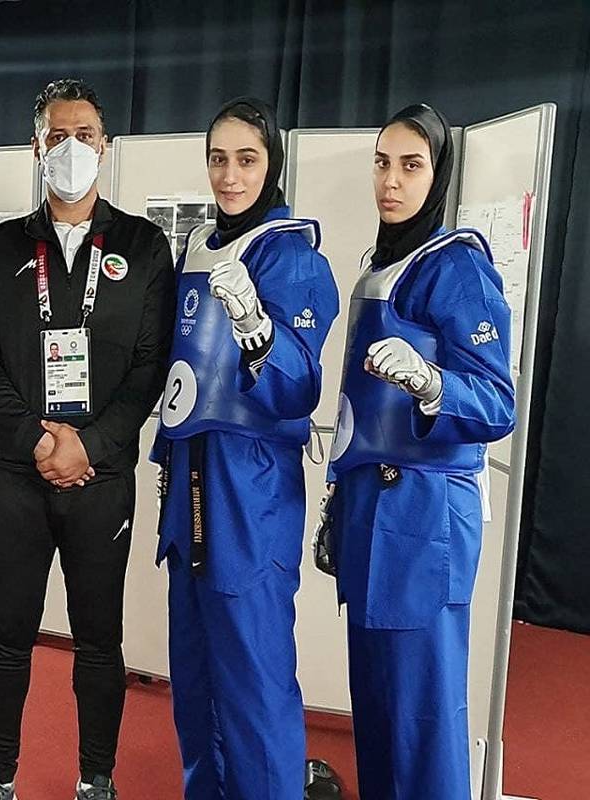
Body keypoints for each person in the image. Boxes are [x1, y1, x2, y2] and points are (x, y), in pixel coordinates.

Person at [0, 78, 175, 800]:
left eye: (85, 136)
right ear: (37, 147)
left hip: (101, 476)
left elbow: (150, 364)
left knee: (99, 640)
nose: (72, 149)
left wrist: (92, 444)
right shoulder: (1, 246)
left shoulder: (144, 245)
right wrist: (36, 440)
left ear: (105, 147)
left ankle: (96, 777)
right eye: (58, 136)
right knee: (7, 635)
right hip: (16, 475)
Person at [150, 97, 339, 799]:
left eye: (247, 159)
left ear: (273, 163)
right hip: (189, 478)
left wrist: (259, 330)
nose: (230, 176)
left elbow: (300, 388)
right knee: (195, 672)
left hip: (250, 489)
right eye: (218, 159)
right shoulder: (199, 246)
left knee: (254, 675)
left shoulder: (293, 257)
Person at [326, 103, 515, 800]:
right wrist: (337, 503)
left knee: (424, 717)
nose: (391, 181)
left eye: (411, 166)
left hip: (425, 515)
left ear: (438, 174)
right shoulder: (381, 264)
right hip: (368, 511)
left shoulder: (457, 268)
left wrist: (435, 384)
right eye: (382, 163)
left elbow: (497, 403)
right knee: (377, 709)